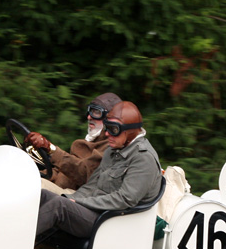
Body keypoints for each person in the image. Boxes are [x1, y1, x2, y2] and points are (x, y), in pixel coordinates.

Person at [35, 101, 162, 239]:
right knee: (44, 195)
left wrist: (80, 203)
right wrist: (72, 198)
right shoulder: (113, 150)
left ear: (129, 132)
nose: (107, 134)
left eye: (113, 129)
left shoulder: (143, 158)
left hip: (114, 222)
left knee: (58, 206)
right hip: (99, 212)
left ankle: (17, 245)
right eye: (107, 127)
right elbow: (92, 185)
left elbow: (125, 199)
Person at [25, 92, 121, 194]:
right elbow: (61, 172)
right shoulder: (82, 145)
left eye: (97, 113)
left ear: (111, 119)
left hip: (80, 198)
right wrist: (32, 174)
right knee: (23, 180)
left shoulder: (111, 148)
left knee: (34, 188)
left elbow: (84, 174)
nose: (89, 117)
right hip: (60, 191)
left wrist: (51, 149)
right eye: (89, 111)